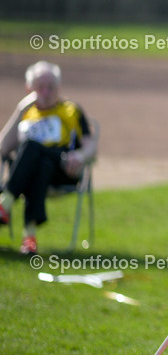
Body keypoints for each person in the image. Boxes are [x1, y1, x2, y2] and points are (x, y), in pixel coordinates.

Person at [0, 61, 98, 255]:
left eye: (50, 87)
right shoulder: (27, 112)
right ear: (29, 89)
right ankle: (29, 238)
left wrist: (79, 155)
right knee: (38, 162)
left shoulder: (71, 110)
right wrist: (20, 110)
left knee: (33, 149)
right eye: (40, 87)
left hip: (62, 168)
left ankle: (5, 204)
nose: (45, 92)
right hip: (31, 170)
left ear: (58, 87)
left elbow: (91, 146)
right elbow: (3, 148)